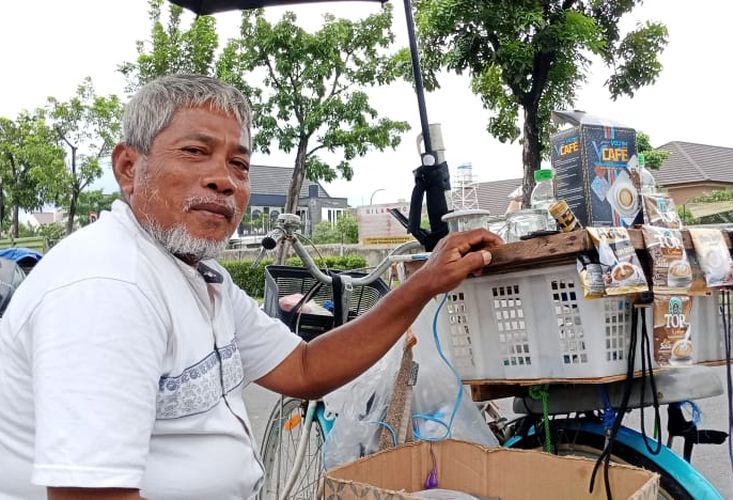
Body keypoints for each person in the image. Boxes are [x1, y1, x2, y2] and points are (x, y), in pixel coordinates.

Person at [0, 74, 502, 500]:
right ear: (129, 168)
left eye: (238, 165)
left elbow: (304, 368)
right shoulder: (108, 289)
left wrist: (423, 284)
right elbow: (90, 493)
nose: (224, 180)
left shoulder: (197, 273)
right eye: (196, 153)